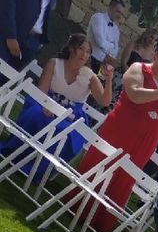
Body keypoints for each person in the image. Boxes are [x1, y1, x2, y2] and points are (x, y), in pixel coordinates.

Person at [76, 34, 158, 232]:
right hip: (121, 129)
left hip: (145, 141)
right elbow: (134, 94)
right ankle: (79, 206)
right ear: (156, 54)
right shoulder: (139, 68)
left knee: (124, 178)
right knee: (102, 164)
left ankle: (102, 221)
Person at [0, 34, 112, 179]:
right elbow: (41, 91)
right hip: (46, 103)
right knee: (36, 115)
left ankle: (37, 169)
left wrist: (109, 80)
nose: (85, 54)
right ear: (71, 49)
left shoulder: (90, 76)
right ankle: (17, 152)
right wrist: (46, 106)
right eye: (81, 49)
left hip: (71, 116)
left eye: (88, 52)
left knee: (64, 132)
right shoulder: (55, 63)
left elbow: (104, 101)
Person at [86, 0, 125, 73]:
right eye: (118, 12)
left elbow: (115, 52)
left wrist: (108, 46)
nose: (119, 16)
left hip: (103, 65)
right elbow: (100, 42)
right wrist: (111, 45)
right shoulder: (98, 18)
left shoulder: (116, 30)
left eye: (121, 14)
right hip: (89, 59)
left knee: (95, 84)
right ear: (110, 8)